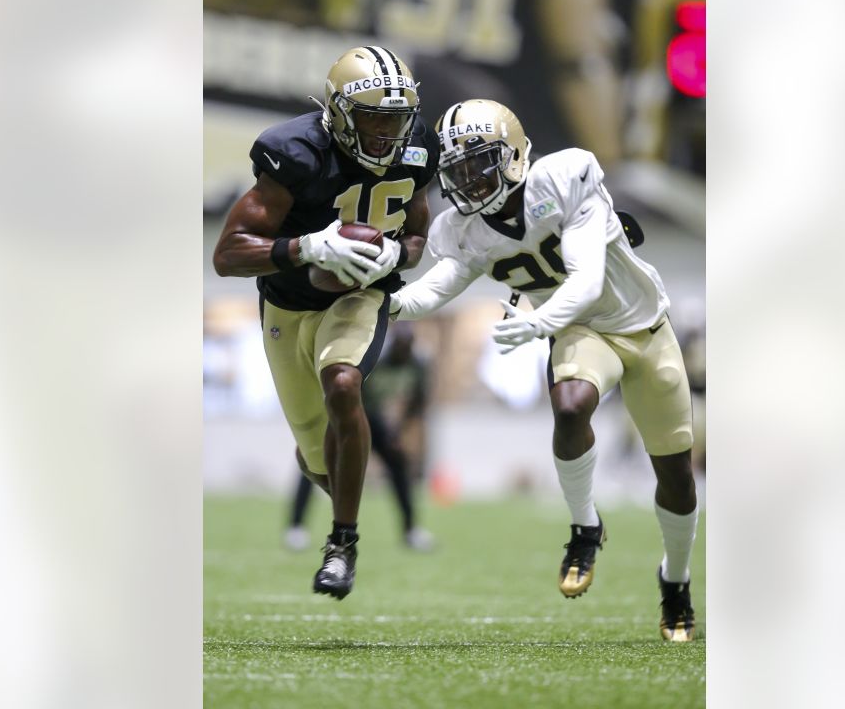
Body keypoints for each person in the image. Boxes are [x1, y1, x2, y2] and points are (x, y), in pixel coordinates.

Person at [389, 99, 699, 641]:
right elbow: (435, 288)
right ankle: (585, 526)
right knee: (571, 404)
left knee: (675, 477)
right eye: (457, 170)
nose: (467, 181)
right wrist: (383, 300)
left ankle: (675, 580)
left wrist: (539, 323)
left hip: (644, 330)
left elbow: (585, 280)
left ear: (511, 157)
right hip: (583, 335)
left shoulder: (563, 177)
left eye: (477, 165)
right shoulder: (462, 229)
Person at [212, 46, 439, 600]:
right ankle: (330, 482)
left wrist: (398, 257)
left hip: (359, 296)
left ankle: (342, 544)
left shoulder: (417, 149)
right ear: (337, 111)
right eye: (373, 117)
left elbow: (415, 230)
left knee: (344, 383)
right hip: (287, 304)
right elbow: (227, 255)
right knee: (318, 461)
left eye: (396, 118)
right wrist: (307, 247)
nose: (387, 132)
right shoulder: (295, 151)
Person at [284, 323, 435, 552]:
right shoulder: (376, 358)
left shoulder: (418, 365)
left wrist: (399, 430)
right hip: (348, 414)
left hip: (376, 419)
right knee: (315, 460)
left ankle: (411, 530)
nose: (403, 350)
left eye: (407, 346)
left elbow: (418, 401)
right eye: (400, 345)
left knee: (398, 464)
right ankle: (296, 527)